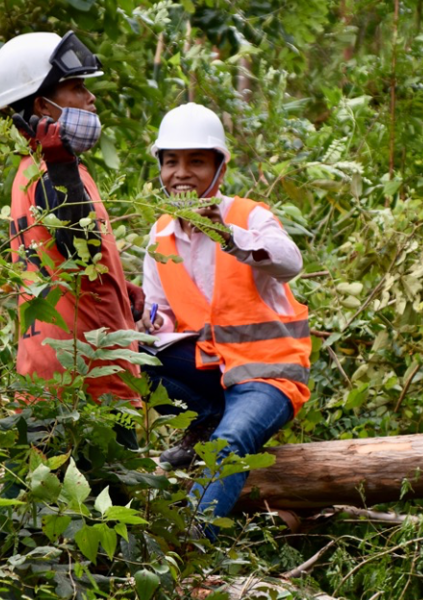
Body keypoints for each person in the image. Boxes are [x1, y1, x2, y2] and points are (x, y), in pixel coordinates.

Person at [139, 103, 311, 530]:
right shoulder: (160, 233)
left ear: (219, 167)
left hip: (267, 377)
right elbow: (159, 316)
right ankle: (208, 422)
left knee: (230, 444)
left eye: (196, 161)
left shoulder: (248, 216)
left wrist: (229, 237)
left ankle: (193, 546)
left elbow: (290, 262)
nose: (181, 173)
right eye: (172, 162)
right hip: (212, 371)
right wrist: (140, 318)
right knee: (134, 355)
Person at [0, 31, 145, 408]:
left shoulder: (32, 171)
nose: (91, 98)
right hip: (88, 383)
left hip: (48, 375)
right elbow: (79, 244)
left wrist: (119, 287)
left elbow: (59, 261)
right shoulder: (52, 171)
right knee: (113, 468)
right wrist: (61, 167)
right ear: (43, 107)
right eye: (76, 87)